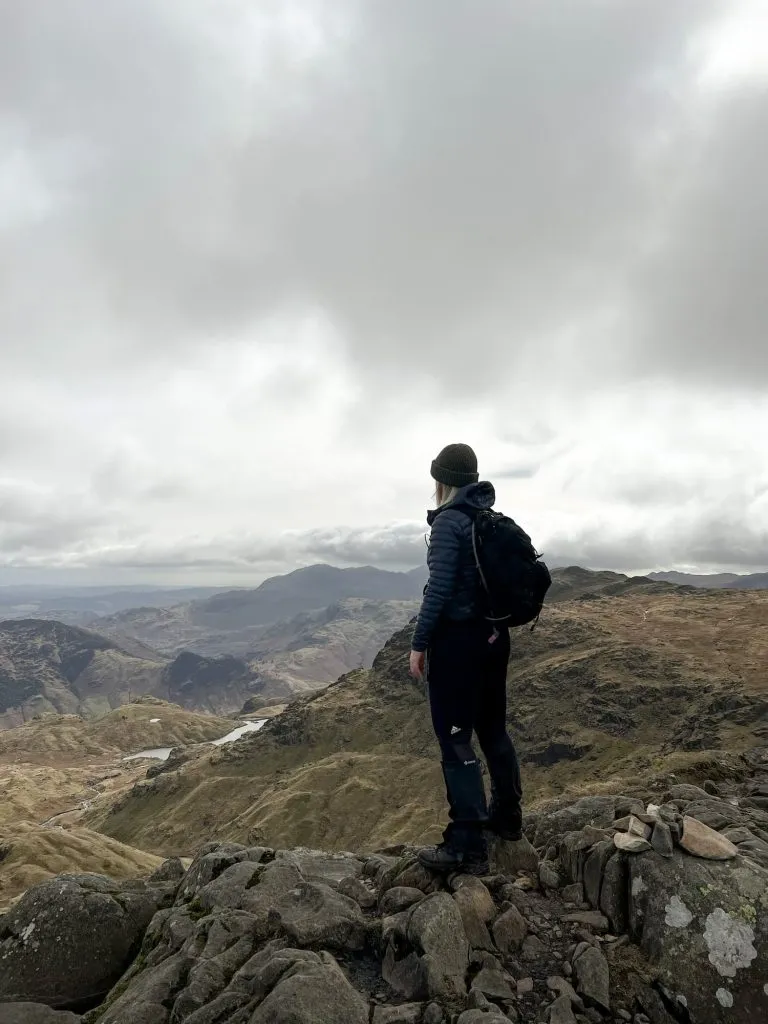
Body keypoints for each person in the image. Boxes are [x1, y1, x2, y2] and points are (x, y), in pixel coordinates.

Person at [409, 443, 523, 875]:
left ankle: (467, 844)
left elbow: (437, 591)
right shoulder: (487, 519)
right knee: (493, 729)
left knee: (455, 739)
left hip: (459, 647)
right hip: (496, 639)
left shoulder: (449, 525)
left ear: (442, 480)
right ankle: (508, 819)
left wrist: (419, 646)